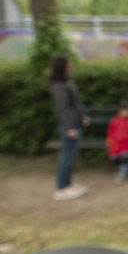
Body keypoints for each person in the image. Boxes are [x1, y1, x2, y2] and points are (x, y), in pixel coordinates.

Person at [47, 54, 88, 200]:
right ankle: (61, 188)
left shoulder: (65, 82)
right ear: (63, 66)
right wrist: (69, 128)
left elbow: (75, 103)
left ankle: (69, 184)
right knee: (66, 156)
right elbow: (62, 108)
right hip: (69, 126)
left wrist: (83, 116)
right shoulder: (57, 85)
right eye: (69, 63)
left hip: (75, 123)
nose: (72, 66)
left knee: (71, 156)